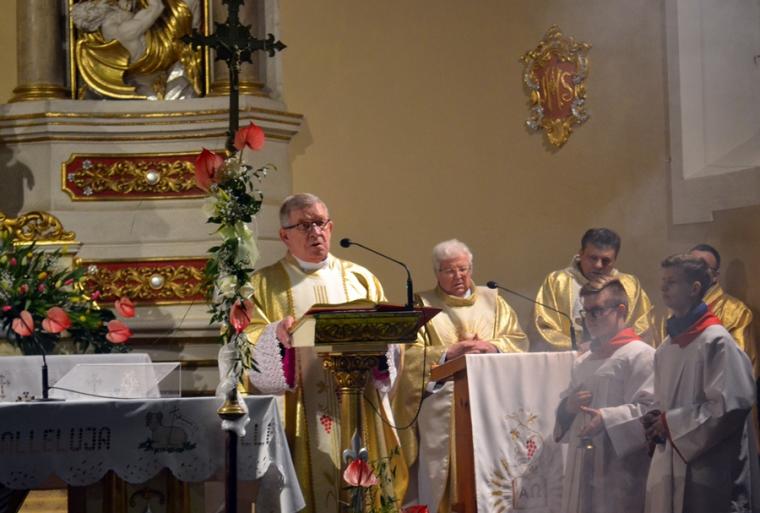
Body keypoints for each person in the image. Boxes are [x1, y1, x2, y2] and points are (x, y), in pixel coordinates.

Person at [244, 193, 406, 513]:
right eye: (304, 225)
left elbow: (392, 343)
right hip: (301, 412)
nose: (315, 232)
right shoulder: (262, 284)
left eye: (320, 223)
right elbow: (245, 342)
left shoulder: (360, 279)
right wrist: (275, 335)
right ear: (284, 235)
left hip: (360, 403)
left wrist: (387, 342)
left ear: (330, 227)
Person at [392, 239, 528, 513]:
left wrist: (492, 346)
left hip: (491, 401)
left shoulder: (494, 301)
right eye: (449, 270)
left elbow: (518, 340)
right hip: (442, 405)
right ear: (436, 273)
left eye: (463, 269)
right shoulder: (422, 304)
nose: (458, 276)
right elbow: (408, 356)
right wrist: (448, 352)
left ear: (471, 268)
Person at [643, 254, 760, 513]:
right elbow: (661, 400)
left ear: (694, 288)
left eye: (672, 282)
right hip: (670, 462)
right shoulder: (666, 347)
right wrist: (654, 417)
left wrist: (671, 423)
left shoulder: (717, 342)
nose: (663, 288)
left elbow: (730, 407)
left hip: (709, 469)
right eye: (663, 281)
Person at [554, 276, 654, 513]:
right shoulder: (583, 361)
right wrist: (568, 407)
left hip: (620, 467)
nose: (589, 319)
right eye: (585, 312)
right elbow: (566, 410)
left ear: (621, 310)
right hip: (584, 462)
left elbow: (651, 410)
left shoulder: (641, 355)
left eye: (597, 311)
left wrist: (607, 418)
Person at [532, 228, 654, 351]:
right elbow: (544, 327)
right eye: (593, 258)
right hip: (572, 356)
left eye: (606, 261)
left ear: (615, 259)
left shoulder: (629, 285)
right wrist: (577, 347)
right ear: (581, 254)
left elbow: (642, 327)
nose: (598, 265)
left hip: (618, 355)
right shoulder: (557, 282)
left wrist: (610, 347)